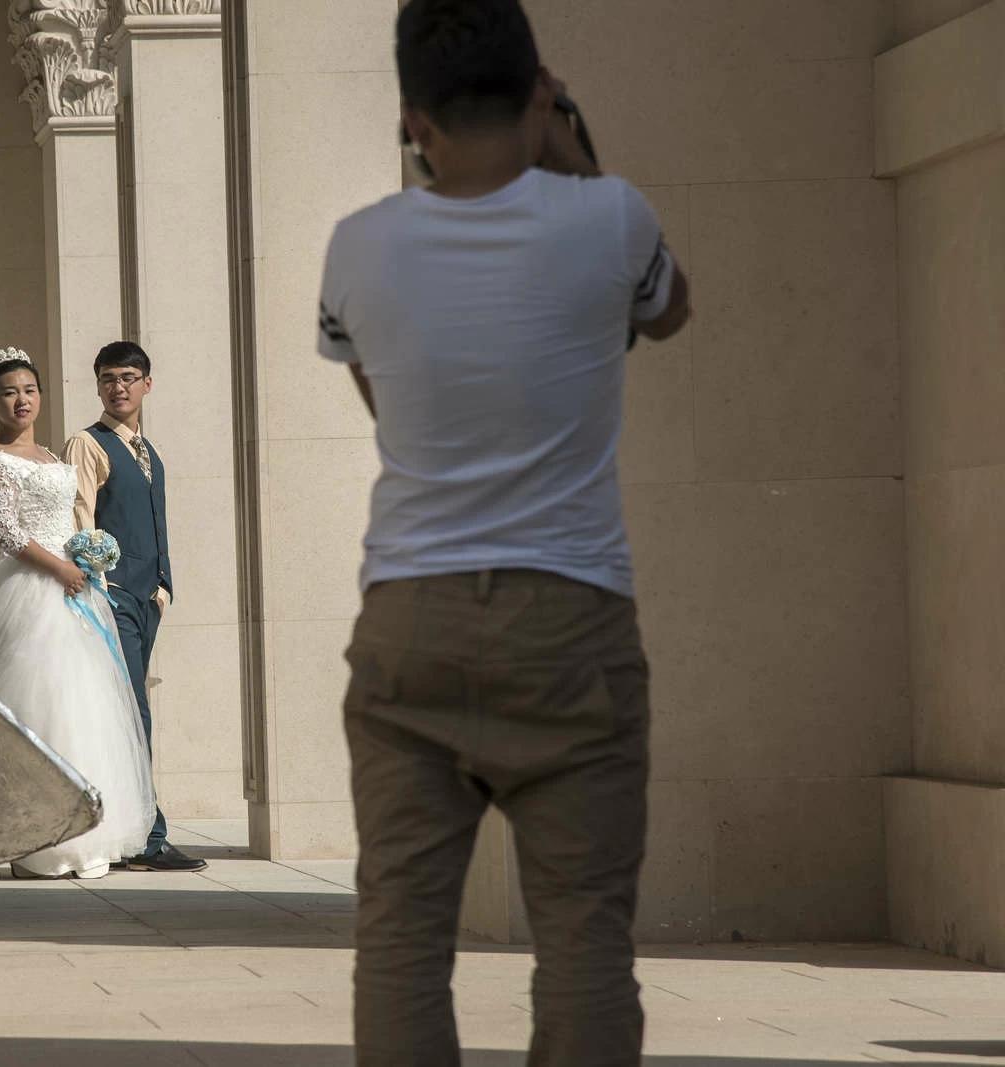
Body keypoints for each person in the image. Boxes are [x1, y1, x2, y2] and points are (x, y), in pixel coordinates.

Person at [317, 2, 693, 1064]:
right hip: (568, 615)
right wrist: (570, 151)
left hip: (411, 615)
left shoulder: (359, 247)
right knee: (582, 940)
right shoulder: (612, 218)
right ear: (540, 93)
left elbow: (393, 411)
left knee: (398, 936)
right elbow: (668, 313)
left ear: (411, 121)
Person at [0, 347, 156, 879]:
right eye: (8, 393)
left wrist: (86, 556)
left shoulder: (49, 453)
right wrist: (61, 569)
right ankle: (33, 843)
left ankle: (83, 836)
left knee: (85, 708)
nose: (21, 400)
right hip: (33, 588)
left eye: (29, 390)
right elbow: (6, 534)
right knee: (36, 707)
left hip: (76, 586)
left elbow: (72, 514)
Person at [62, 342, 207, 874]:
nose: (117, 387)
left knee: (126, 714)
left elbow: (156, 522)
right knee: (131, 713)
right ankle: (147, 838)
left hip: (148, 599)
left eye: (127, 377)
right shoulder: (87, 444)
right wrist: (96, 590)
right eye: (107, 378)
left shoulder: (151, 452)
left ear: (148, 383)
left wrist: (164, 586)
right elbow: (77, 522)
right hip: (112, 597)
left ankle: (125, 830)